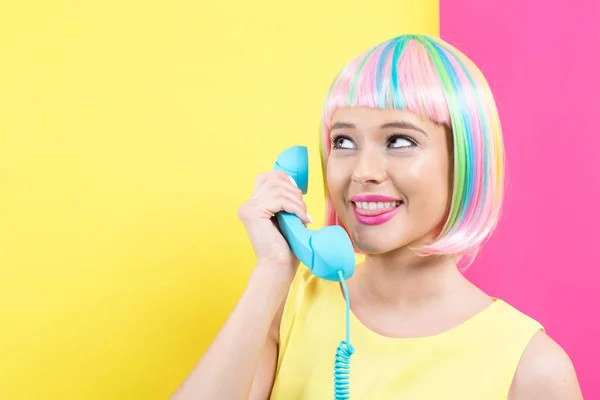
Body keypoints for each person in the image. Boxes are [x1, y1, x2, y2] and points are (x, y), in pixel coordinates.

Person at [170, 34, 583, 399]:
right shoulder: (289, 307)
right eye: (344, 141)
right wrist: (272, 271)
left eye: (399, 140)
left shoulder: (532, 367)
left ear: (464, 161)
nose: (363, 170)